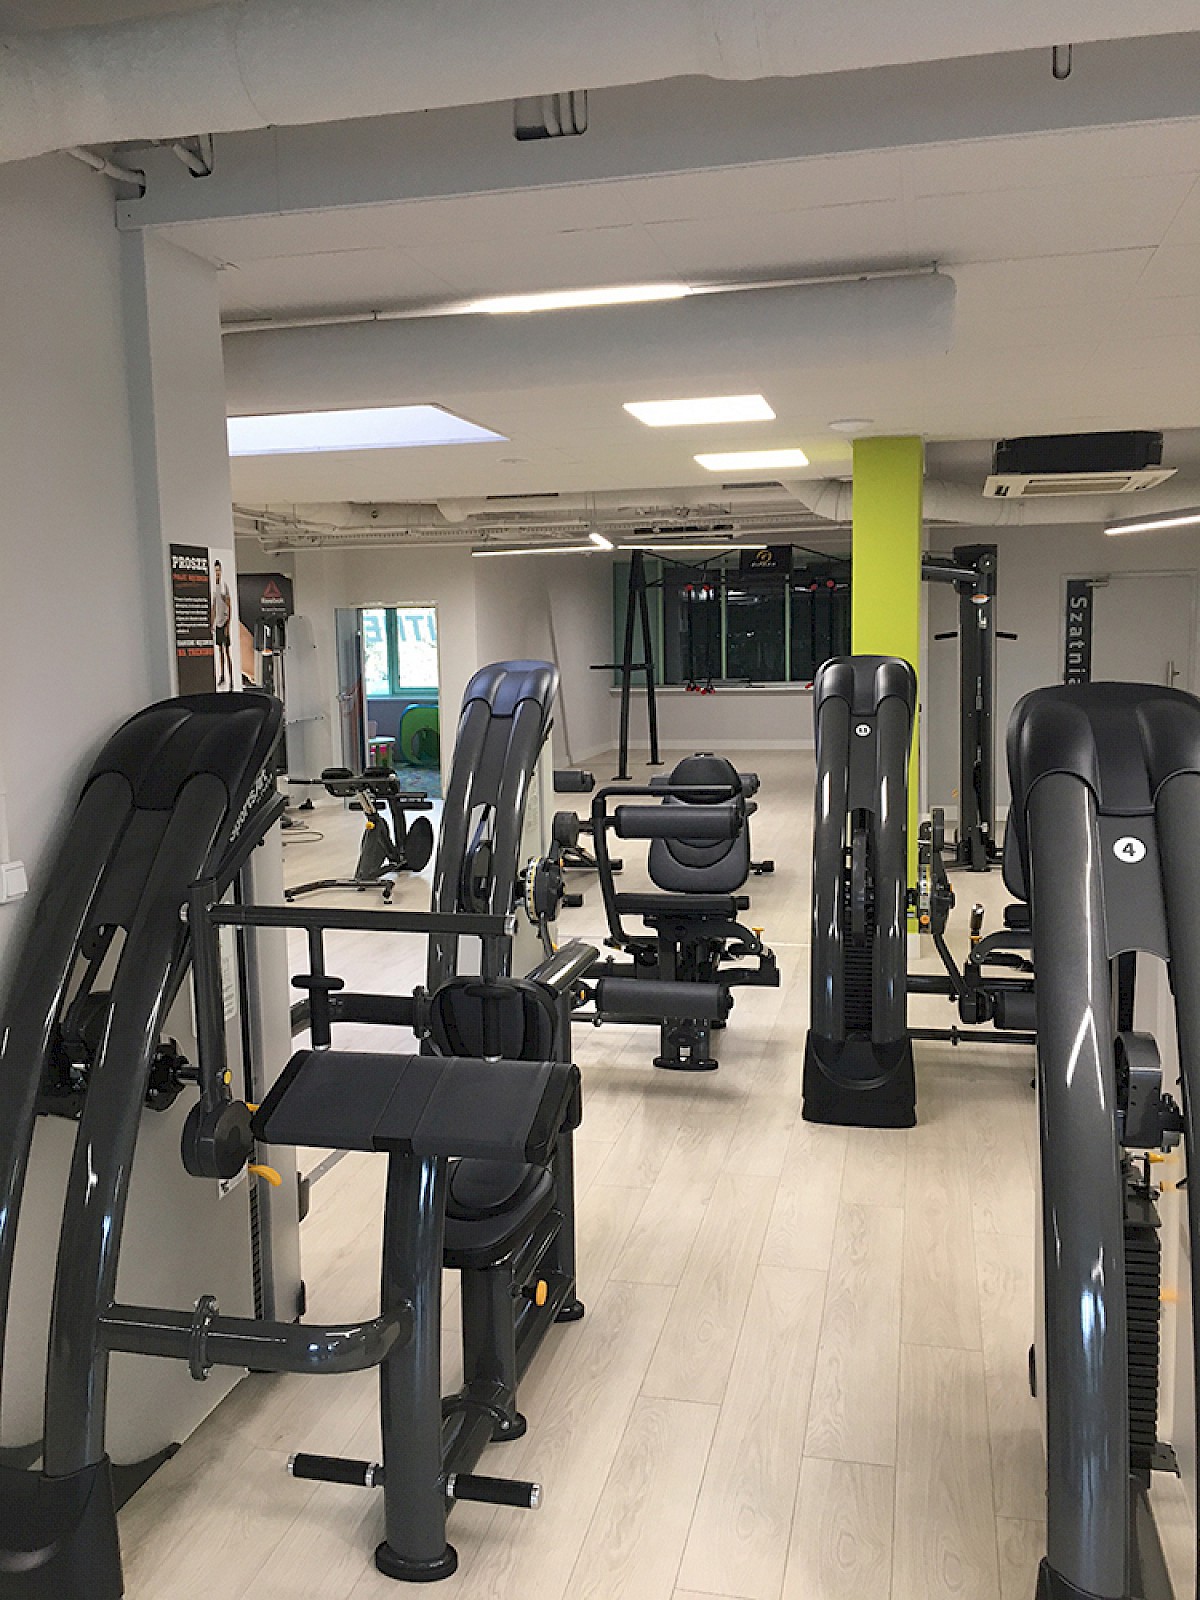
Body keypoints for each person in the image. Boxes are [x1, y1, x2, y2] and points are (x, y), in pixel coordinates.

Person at [212, 560, 233, 690]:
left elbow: (229, 607)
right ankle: (222, 675)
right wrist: (212, 623)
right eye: (216, 570)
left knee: (227, 652)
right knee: (220, 651)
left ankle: (231, 677)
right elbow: (214, 606)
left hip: (224, 623)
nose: (217, 572)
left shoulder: (224, 587)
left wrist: (228, 627)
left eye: (219, 570)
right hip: (218, 624)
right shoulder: (215, 587)